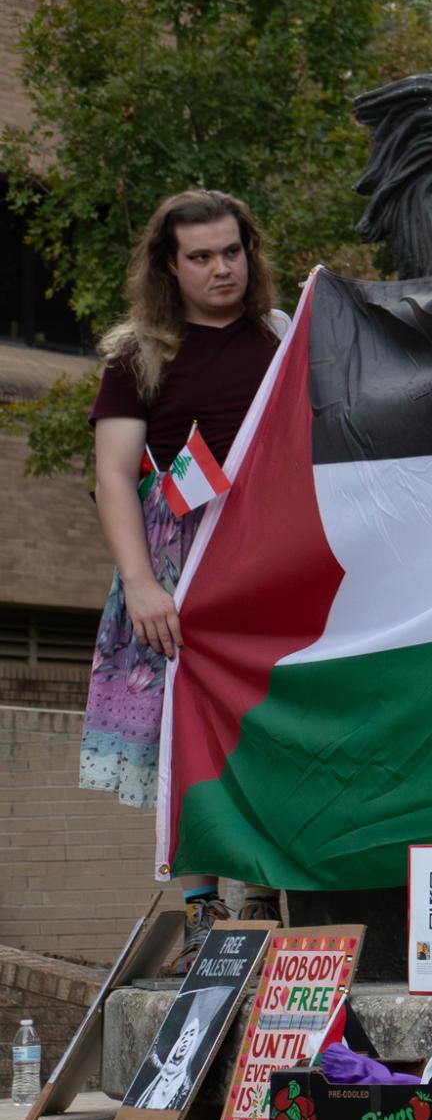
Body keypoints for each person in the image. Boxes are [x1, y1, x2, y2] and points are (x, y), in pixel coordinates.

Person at [82, 189, 289, 970]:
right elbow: (111, 476)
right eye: (200, 256)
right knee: (182, 731)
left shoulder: (282, 337)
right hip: (174, 566)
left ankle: (264, 894)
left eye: (231, 251)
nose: (220, 268)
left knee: (267, 720)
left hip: (268, 556)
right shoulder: (141, 351)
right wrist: (139, 583)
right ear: (170, 267)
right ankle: (203, 910)